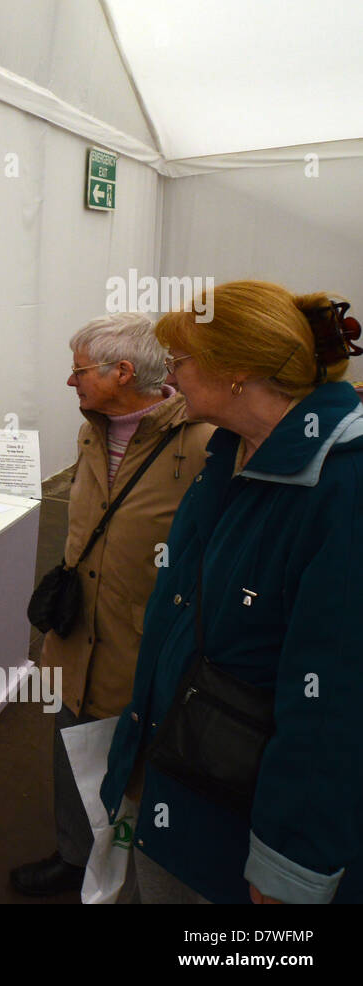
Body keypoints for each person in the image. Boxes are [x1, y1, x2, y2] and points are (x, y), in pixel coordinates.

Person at [101, 281, 363, 903]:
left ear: (237, 372)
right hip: (180, 775)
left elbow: (333, 702)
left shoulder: (341, 489)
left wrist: (288, 866)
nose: (170, 377)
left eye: (181, 362)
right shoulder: (232, 449)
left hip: (241, 828)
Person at [10, 313, 212, 897]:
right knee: (72, 747)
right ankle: (73, 857)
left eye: (78, 370)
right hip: (77, 630)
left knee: (143, 767)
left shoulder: (202, 440)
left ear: (123, 373)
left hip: (145, 639)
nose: (69, 383)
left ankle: (141, 874)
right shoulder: (91, 428)